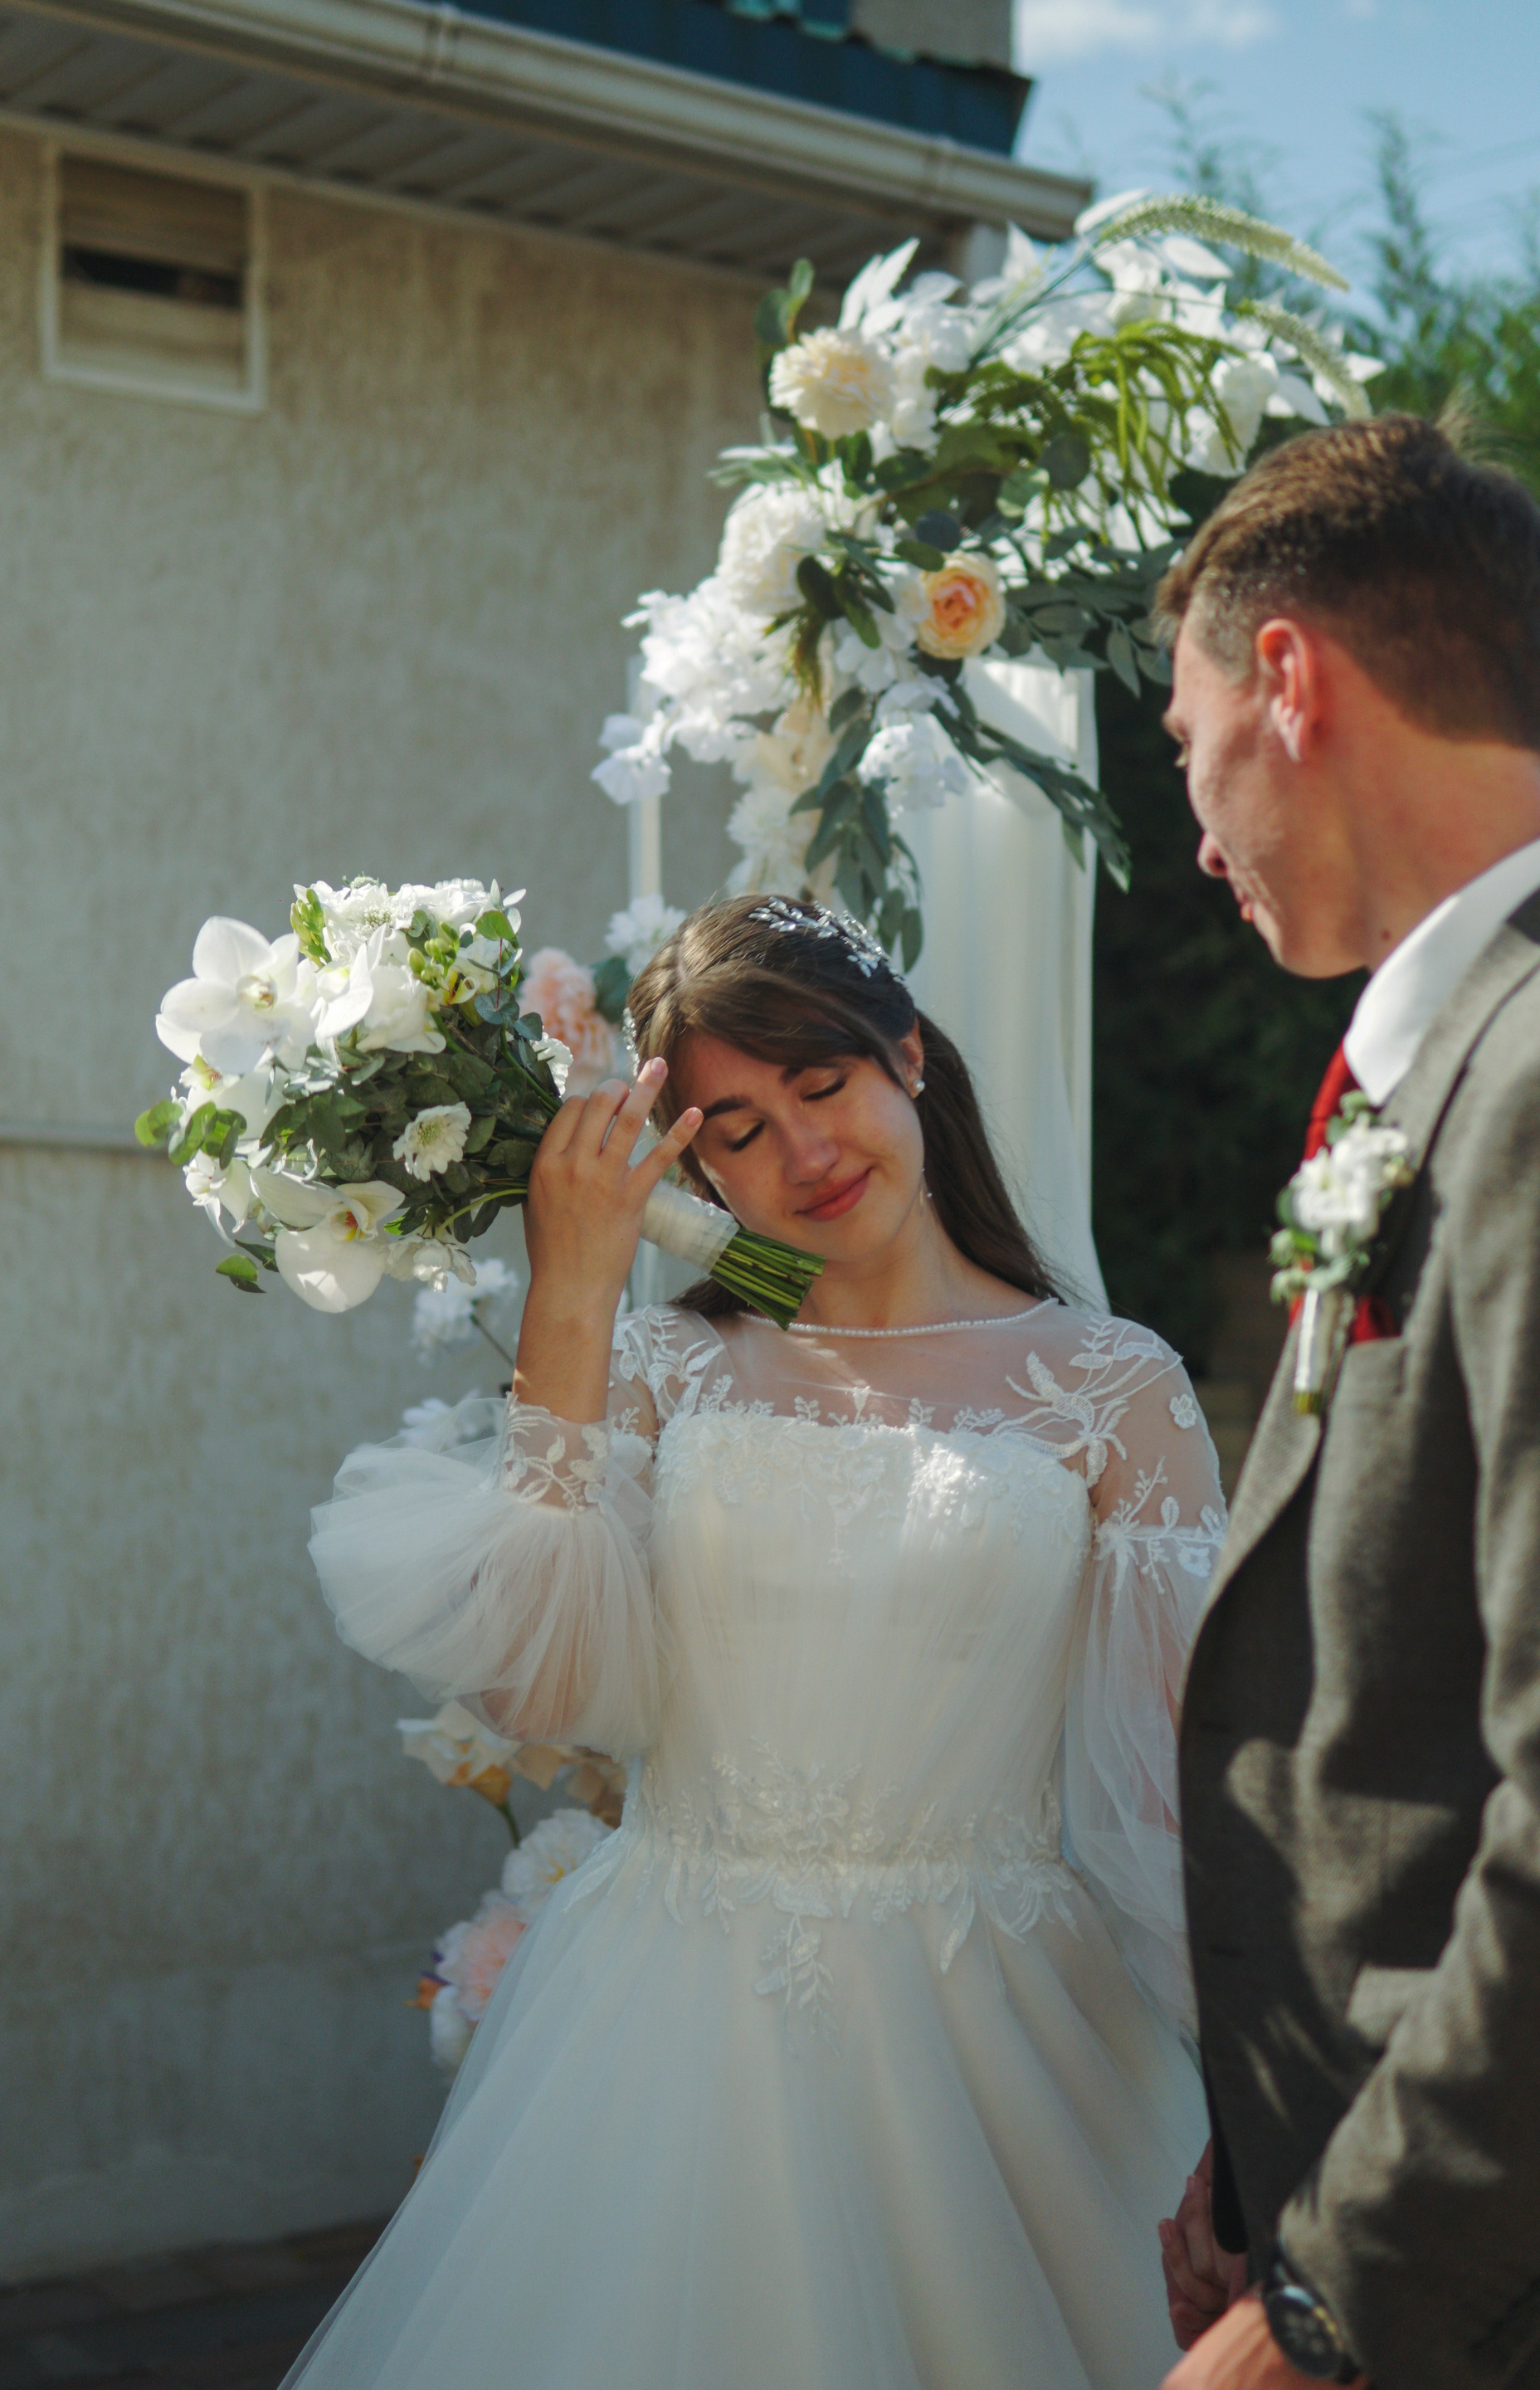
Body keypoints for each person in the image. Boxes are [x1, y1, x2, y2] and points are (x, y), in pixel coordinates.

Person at [283, 893, 1223, 2390]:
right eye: (737, 1129)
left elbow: (1174, 1783)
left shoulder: (1112, 1384)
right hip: (670, 2017)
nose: (805, 1152)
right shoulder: (663, 1363)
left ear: (909, 1059)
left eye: (824, 1084)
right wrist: (575, 1284)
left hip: (1004, 2031)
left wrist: (1253, 2090)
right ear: (694, 1167)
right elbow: (533, 1686)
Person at [1153, 412, 1540, 2389]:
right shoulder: (1474, 1052)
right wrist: (1268, 2158)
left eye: (1188, 748)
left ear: (1289, 679)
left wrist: (1340, 2298)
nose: (1197, 833)